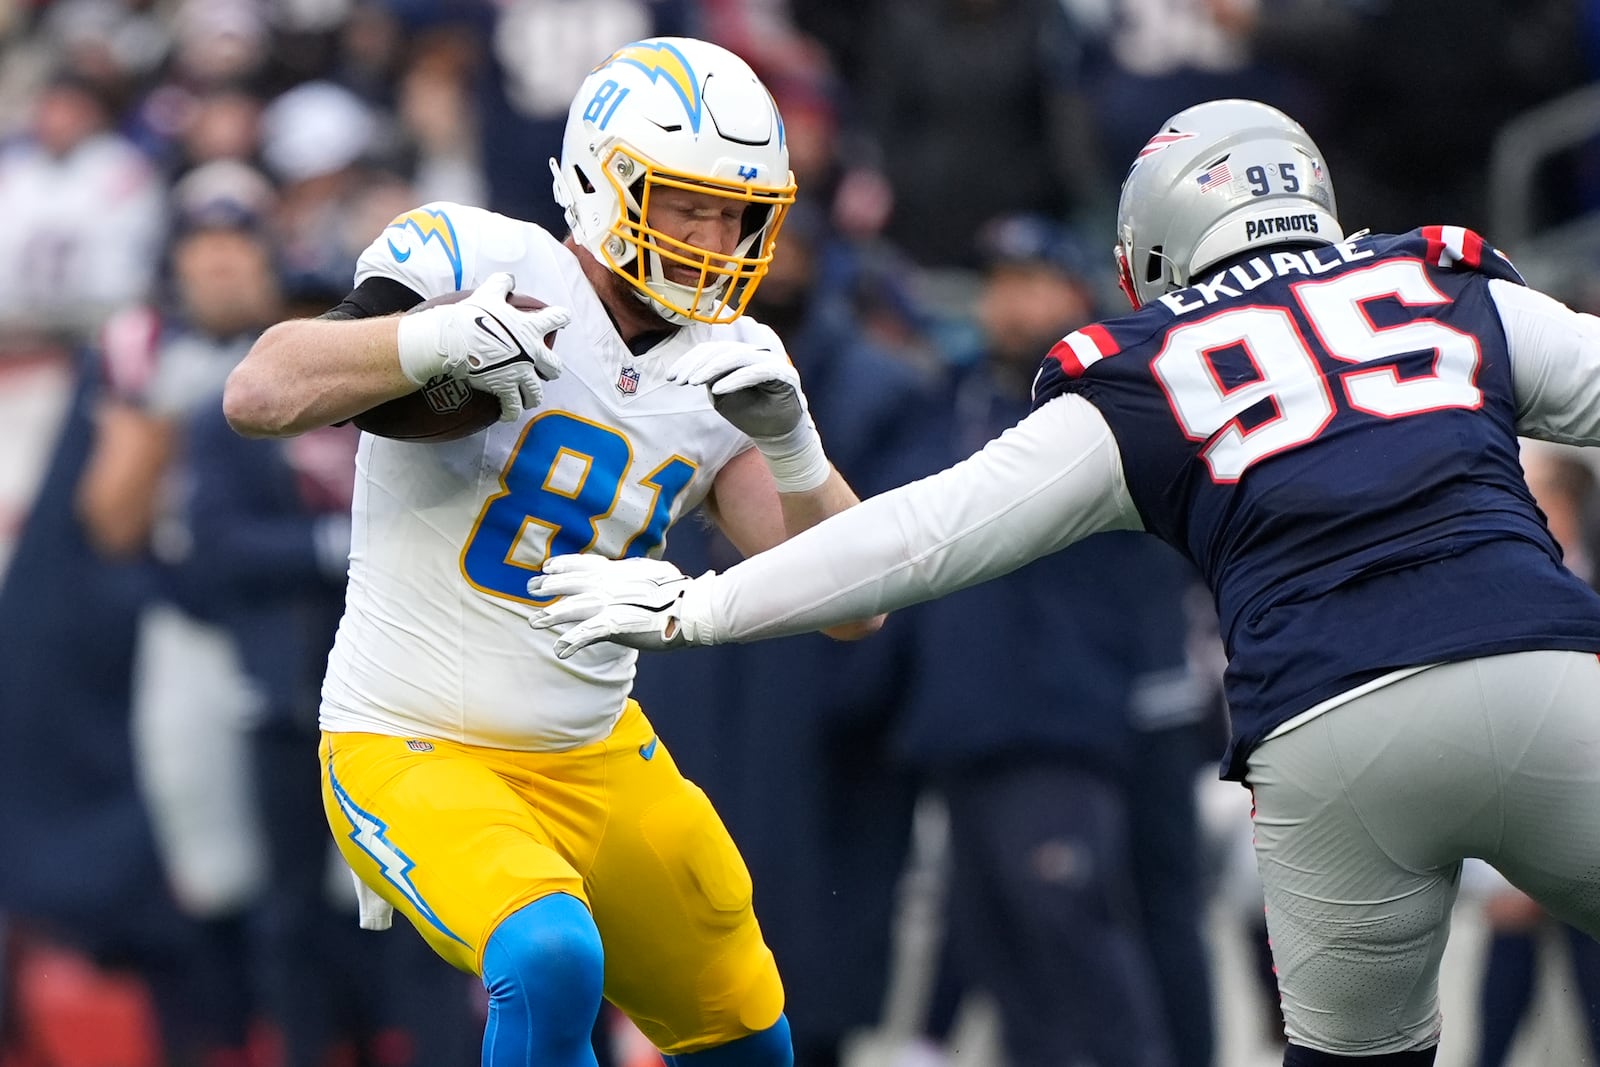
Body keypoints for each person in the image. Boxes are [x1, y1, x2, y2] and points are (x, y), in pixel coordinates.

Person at [528, 98, 1600, 1067]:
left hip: (1327, 729)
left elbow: (924, 532)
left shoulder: (1151, 368)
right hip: (1539, 669)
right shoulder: (1443, 284)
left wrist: (696, 604)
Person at [223, 35, 876, 1067]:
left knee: (747, 1022)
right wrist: (433, 339)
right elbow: (259, 390)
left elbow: (853, 602)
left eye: (733, 212)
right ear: (604, 181)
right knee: (549, 951)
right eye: (685, 202)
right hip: (409, 739)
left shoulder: (731, 360)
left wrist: (795, 449)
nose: (714, 235)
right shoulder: (485, 259)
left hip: (593, 746)